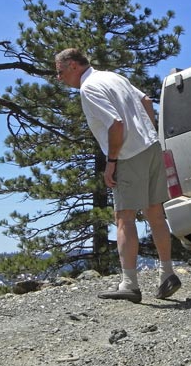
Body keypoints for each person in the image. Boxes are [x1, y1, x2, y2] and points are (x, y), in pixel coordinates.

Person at [55, 48, 181, 303]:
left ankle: (129, 284)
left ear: (72, 66)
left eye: (59, 72)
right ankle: (167, 273)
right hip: (151, 145)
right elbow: (146, 100)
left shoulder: (88, 88)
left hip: (128, 154)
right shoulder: (113, 77)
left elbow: (116, 124)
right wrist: (147, 132)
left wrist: (111, 162)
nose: (58, 78)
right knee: (155, 213)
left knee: (124, 218)